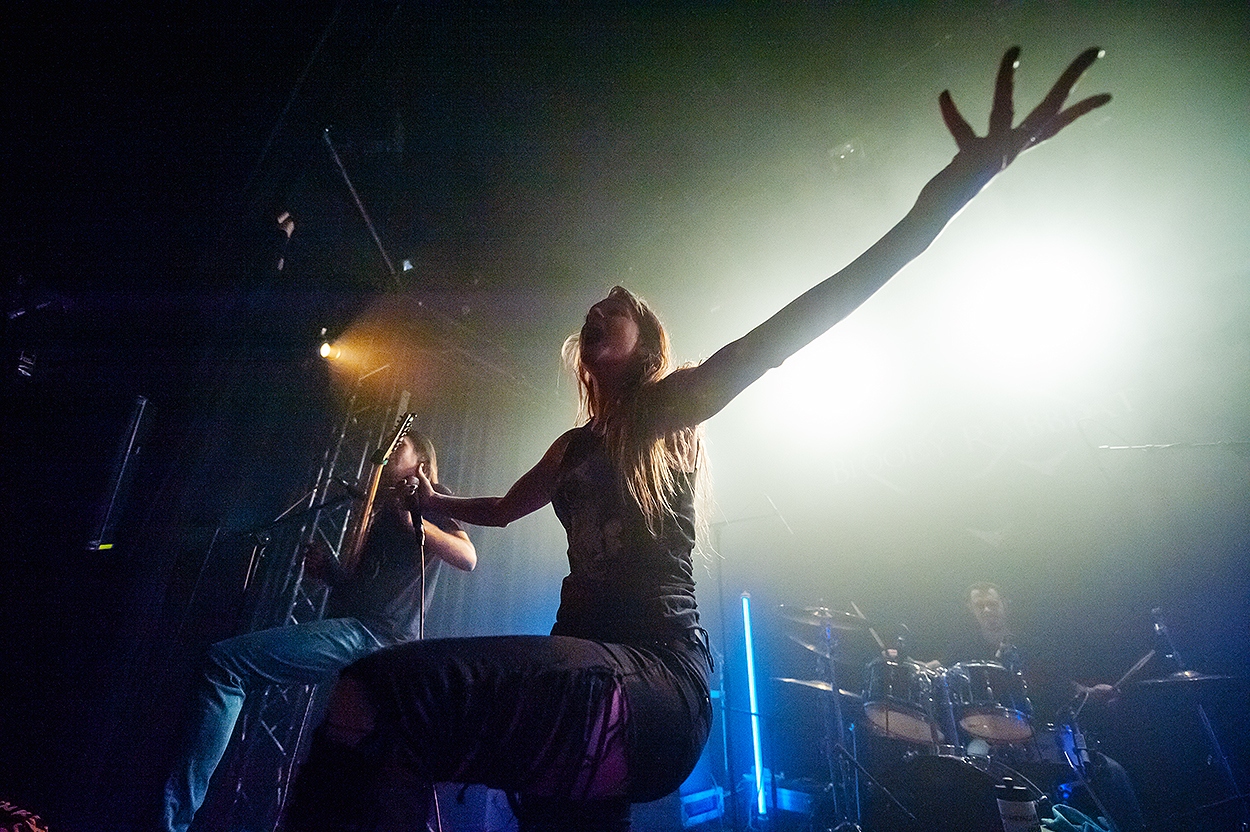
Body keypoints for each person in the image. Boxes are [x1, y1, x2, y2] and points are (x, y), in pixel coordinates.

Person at [282, 47, 1111, 832]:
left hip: (654, 686)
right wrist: (430, 499)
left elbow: (803, 320)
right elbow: (500, 509)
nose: (598, 309)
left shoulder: (667, 409)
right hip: (586, 681)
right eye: (593, 308)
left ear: (646, 343)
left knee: (380, 693)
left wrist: (951, 192)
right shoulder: (572, 448)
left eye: (617, 309)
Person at [160, 431, 476, 832]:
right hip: (366, 630)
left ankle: (171, 823)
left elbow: (467, 556)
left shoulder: (428, 497)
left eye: (401, 445)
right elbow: (365, 592)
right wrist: (330, 572)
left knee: (226, 665)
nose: (390, 448)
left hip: (379, 636)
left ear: (423, 464)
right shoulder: (383, 508)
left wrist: (418, 523)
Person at [946, 583, 1147, 832]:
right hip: (990, 742)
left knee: (1113, 774)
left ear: (1005, 604)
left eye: (992, 604)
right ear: (970, 609)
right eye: (980, 606)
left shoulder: (1029, 644)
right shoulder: (963, 650)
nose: (987, 610)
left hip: (1042, 735)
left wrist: (1090, 692)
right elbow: (942, 672)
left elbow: (1059, 683)